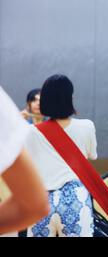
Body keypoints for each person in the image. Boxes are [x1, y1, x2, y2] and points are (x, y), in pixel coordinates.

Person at [25, 74, 98, 237]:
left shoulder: (31, 132)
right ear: (70, 98)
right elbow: (91, 155)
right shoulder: (86, 126)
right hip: (75, 198)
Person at [0, 86, 49, 235]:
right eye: (34, 99)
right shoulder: (21, 126)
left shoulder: (54, 128)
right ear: (28, 103)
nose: (38, 103)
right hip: (18, 182)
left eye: (41, 100)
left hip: (43, 181)